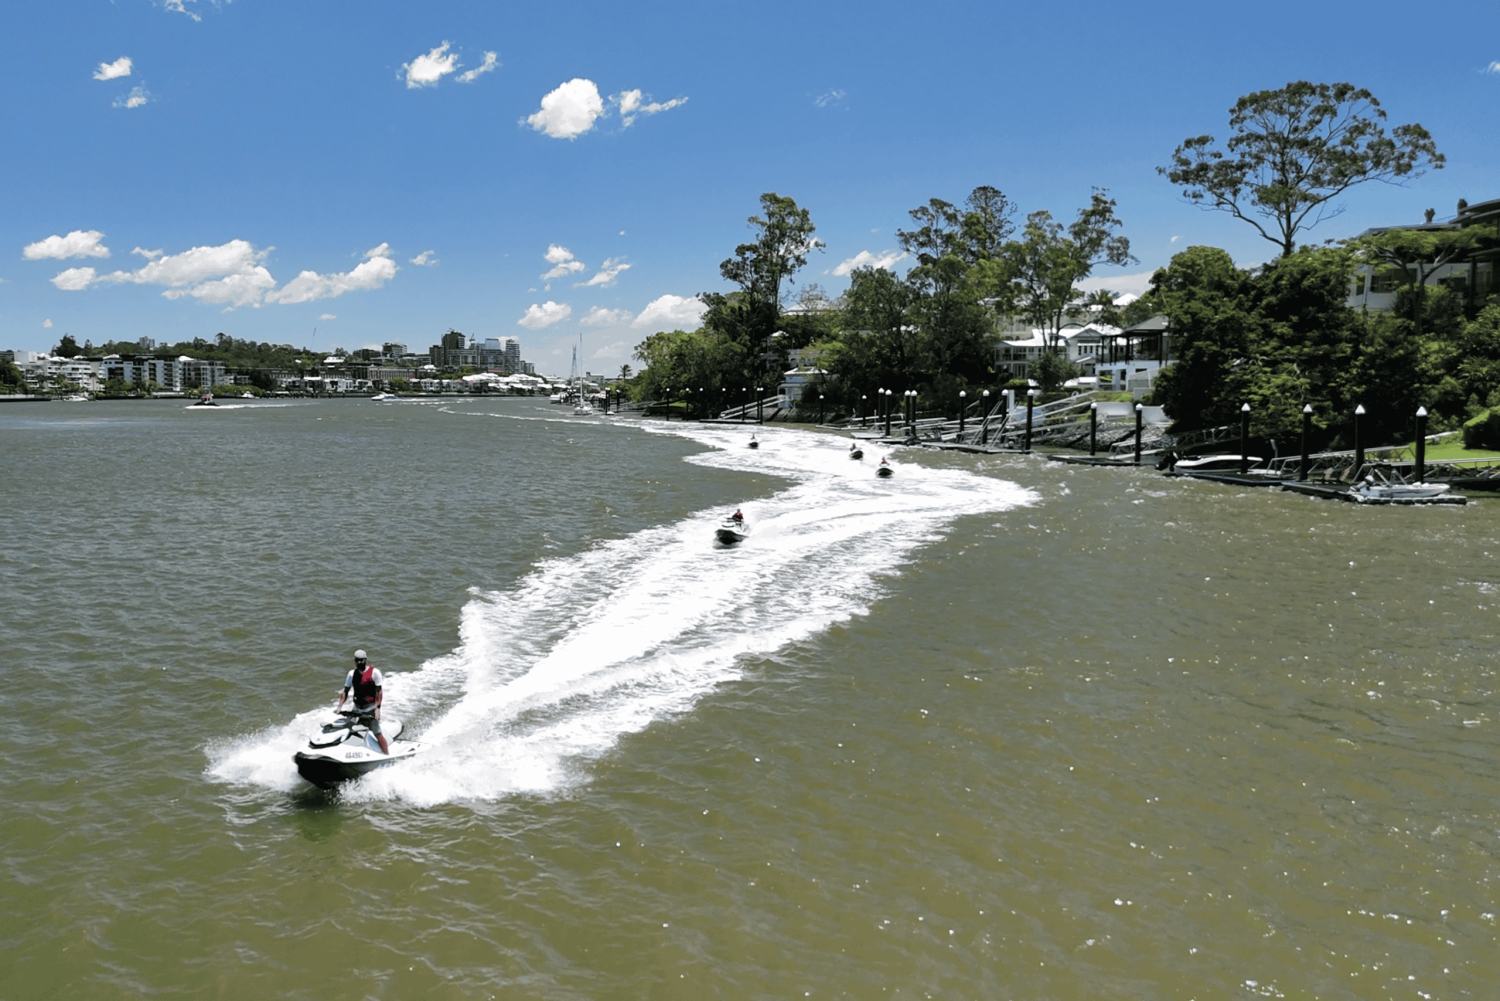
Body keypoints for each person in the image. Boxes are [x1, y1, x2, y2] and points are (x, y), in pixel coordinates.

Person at [336, 649, 389, 754]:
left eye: (361, 660)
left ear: (365, 660)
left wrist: (377, 709)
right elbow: (345, 691)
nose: (359, 662)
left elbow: (379, 692)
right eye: (357, 660)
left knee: (377, 733)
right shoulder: (352, 674)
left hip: (370, 709)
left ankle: (387, 754)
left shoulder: (375, 672)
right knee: (348, 730)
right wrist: (339, 706)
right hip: (357, 709)